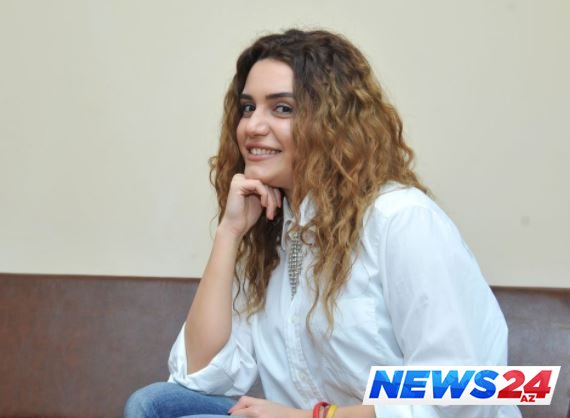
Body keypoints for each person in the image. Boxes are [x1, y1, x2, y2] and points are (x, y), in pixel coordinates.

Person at [125, 29, 521, 418]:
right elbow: (198, 376)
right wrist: (229, 234)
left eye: (282, 108)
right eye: (248, 108)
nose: (252, 126)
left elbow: (465, 389)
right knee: (154, 405)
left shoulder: (400, 219)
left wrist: (316, 417)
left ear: (333, 124)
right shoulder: (271, 232)